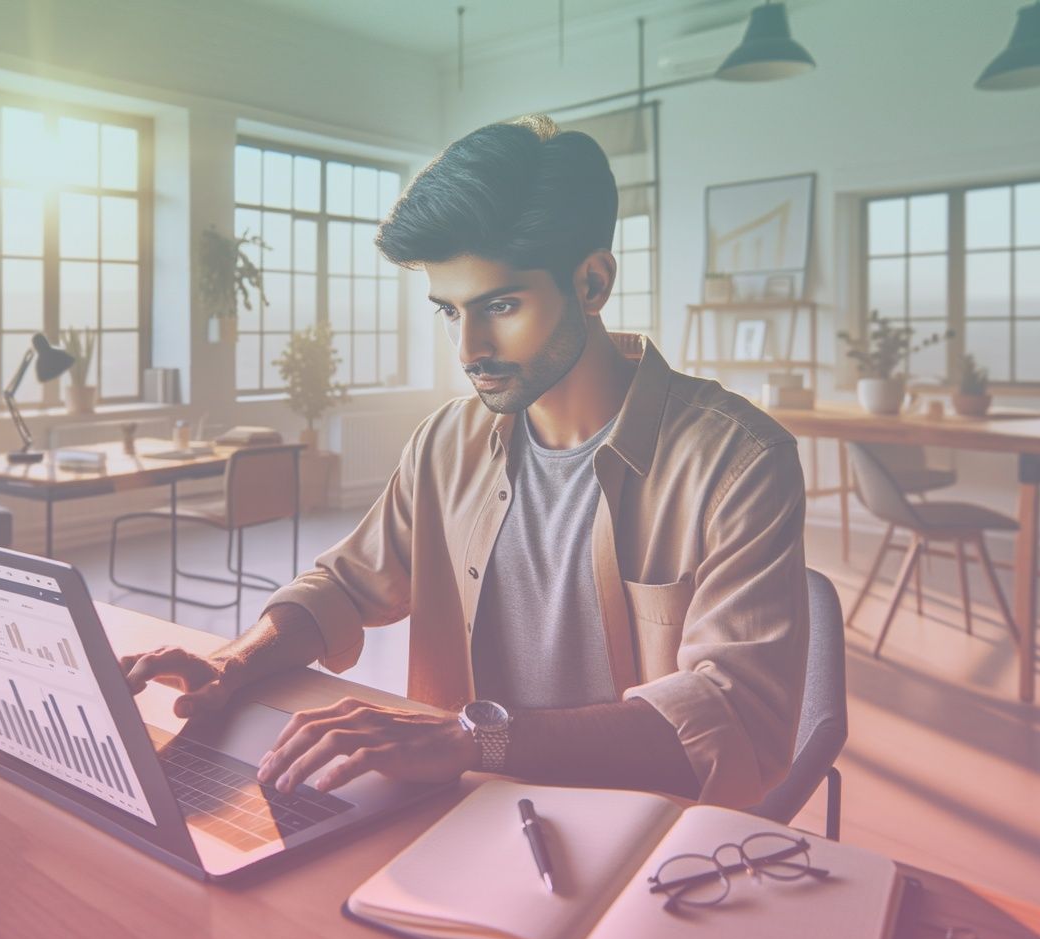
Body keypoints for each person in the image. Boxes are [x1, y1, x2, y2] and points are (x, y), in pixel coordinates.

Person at [121, 115, 807, 808]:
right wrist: (232, 664)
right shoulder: (446, 442)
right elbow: (343, 584)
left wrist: (476, 741)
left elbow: (734, 718)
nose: (469, 348)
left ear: (592, 284)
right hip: (458, 815)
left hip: (651, 836)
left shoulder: (740, 463)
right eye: (449, 312)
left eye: (500, 305)